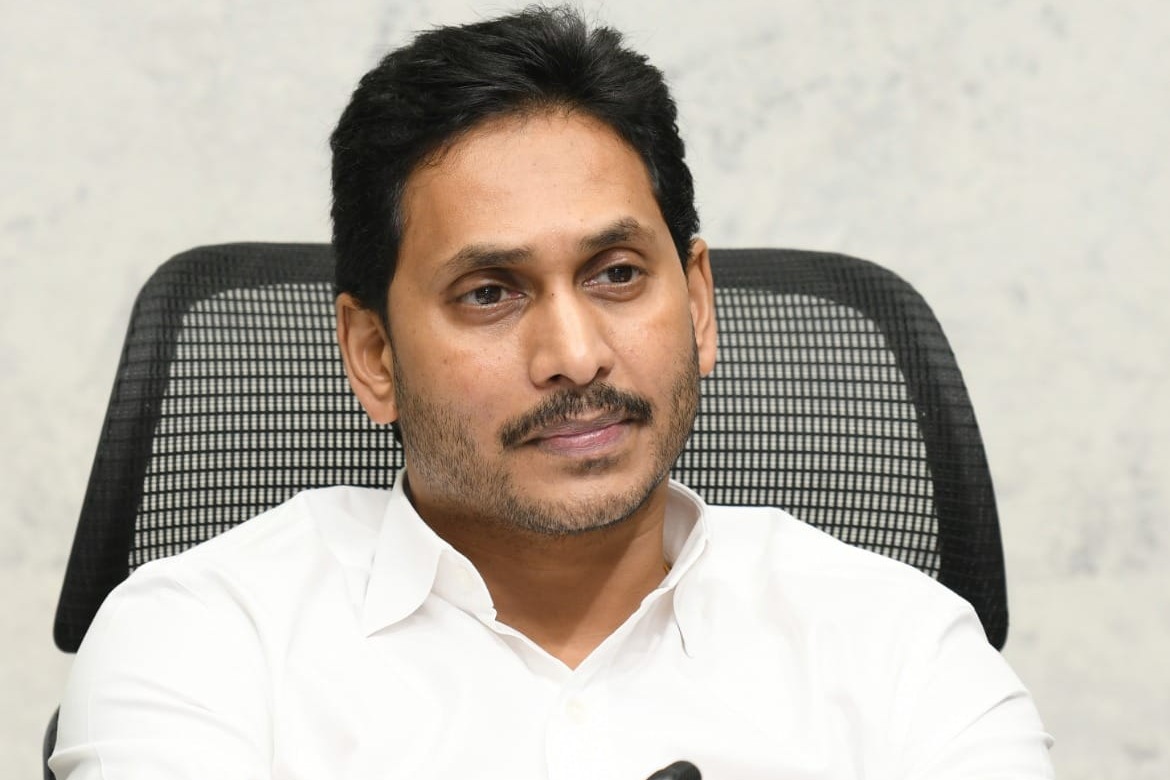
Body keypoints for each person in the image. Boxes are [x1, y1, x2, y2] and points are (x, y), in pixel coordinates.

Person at [50, 6, 1054, 779]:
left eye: (617, 274)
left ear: (698, 303)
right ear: (373, 355)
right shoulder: (201, 642)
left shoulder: (899, 648)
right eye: (490, 293)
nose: (575, 356)